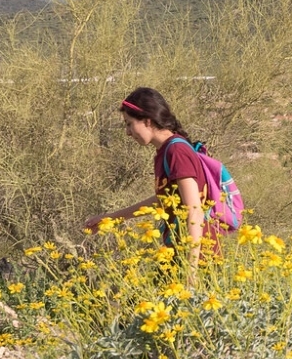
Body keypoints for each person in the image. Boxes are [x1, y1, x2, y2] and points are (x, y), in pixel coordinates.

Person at [83, 87, 208, 260]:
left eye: (129, 123)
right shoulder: (165, 151)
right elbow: (162, 201)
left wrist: (192, 274)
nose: (127, 132)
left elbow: (194, 210)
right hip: (176, 253)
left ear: (148, 121)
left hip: (196, 259)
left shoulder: (176, 151)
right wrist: (111, 219)